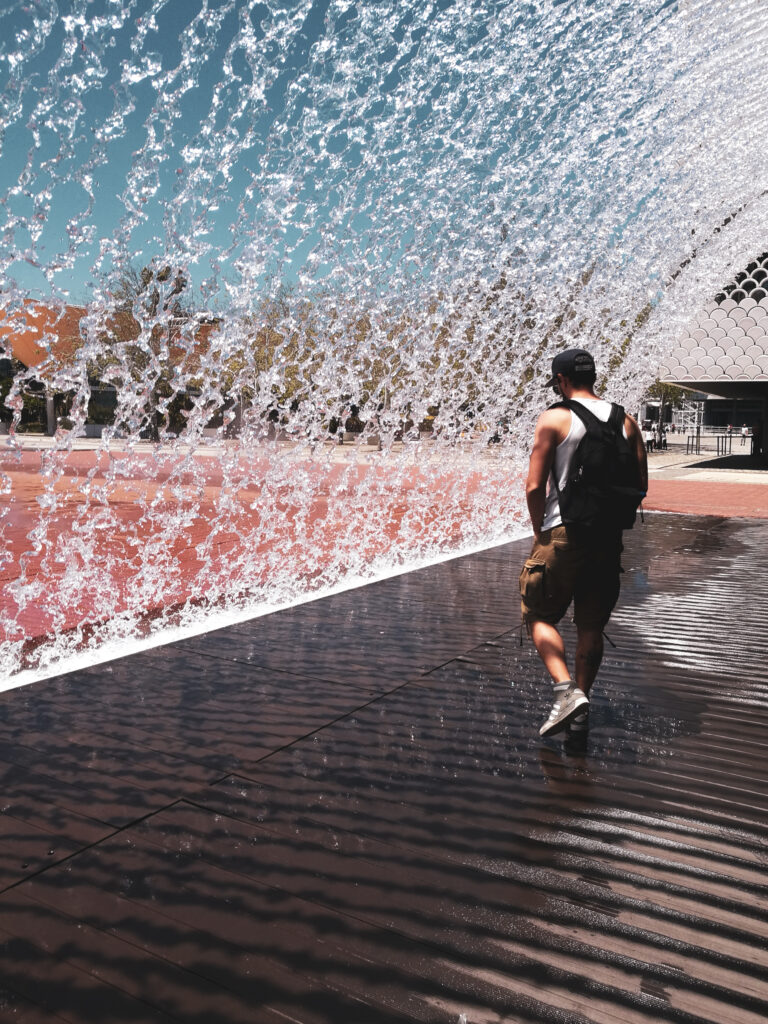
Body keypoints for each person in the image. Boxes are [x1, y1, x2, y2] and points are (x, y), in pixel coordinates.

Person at [519, 348, 647, 745]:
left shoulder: (555, 418)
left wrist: (540, 529)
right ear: (593, 377)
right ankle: (579, 713)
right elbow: (641, 484)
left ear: (561, 381)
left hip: (563, 534)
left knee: (537, 614)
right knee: (591, 625)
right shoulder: (626, 421)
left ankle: (566, 690)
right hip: (607, 539)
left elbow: (534, 486)